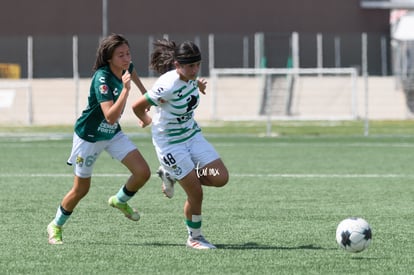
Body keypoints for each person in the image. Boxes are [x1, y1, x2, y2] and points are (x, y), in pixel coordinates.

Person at [47, 33, 151, 245]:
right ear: (109, 58)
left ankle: (120, 201)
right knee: (81, 189)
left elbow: (139, 84)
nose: (126, 59)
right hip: (90, 137)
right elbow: (111, 117)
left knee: (143, 172)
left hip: (112, 134)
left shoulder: (127, 69)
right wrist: (126, 90)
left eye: (128, 53)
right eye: (120, 55)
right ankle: (55, 225)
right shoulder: (101, 78)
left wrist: (146, 102)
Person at [132, 39, 229, 249]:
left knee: (220, 177)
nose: (195, 70)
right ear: (177, 66)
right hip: (170, 144)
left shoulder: (190, 77)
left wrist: (199, 85)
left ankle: (172, 174)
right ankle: (195, 237)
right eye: (190, 66)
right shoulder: (167, 85)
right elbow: (137, 106)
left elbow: (190, 85)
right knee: (196, 192)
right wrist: (148, 121)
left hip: (191, 135)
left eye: (197, 65)